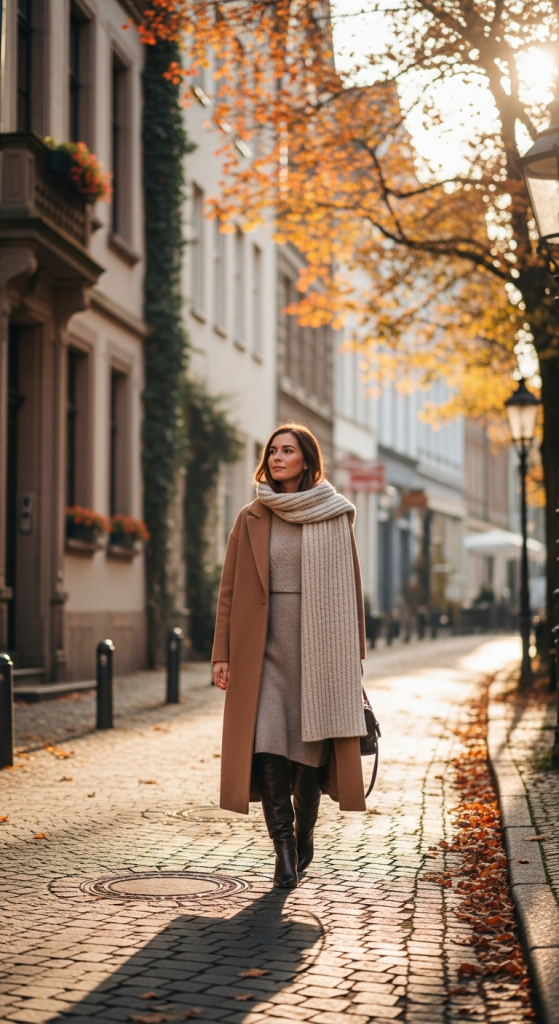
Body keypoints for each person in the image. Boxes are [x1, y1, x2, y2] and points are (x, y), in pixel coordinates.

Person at [212, 423, 367, 888]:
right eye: (272, 451)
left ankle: (303, 837)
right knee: (269, 745)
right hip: (264, 648)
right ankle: (282, 850)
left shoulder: (333, 514)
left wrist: (353, 656)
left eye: (288, 451)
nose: (277, 458)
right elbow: (229, 590)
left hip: (318, 648)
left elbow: (351, 590)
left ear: (306, 460)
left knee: (308, 755)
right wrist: (223, 652)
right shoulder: (251, 517)